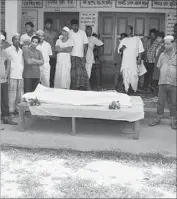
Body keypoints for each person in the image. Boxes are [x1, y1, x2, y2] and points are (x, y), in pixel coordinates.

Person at [149, 36, 176, 130]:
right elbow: (159, 67)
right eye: (165, 43)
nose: (166, 45)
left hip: (174, 84)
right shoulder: (162, 55)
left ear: (173, 43)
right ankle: (158, 118)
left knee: (173, 103)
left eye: (168, 43)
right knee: (160, 102)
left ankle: (173, 121)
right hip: (162, 83)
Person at [118, 25, 144, 94]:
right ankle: (126, 90)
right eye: (126, 30)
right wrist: (122, 48)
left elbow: (140, 50)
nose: (126, 31)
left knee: (134, 77)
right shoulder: (124, 40)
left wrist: (139, 58)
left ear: (131, 30)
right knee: (125, 77)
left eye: (128, 29)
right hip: (125, 62)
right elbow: (119, 51)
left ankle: (134, 90)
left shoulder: (137, 39)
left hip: (133, 62)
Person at [5, 33, 24, 115]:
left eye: (18, 39)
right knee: (11, 94)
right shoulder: (8, 50)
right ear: (12, 40)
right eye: (15, 39)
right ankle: (11, 111)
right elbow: (5, 63)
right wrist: (6, 75)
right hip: (12, 75)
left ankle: (17, 109)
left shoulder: (21, 51)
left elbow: (21, 62)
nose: (17, 41)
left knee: (19, 95)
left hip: (20, 75)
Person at [0, 34, 17, 125]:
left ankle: (5, 118)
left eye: (2, 42)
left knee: (5, 100)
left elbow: (9, 62)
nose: (1, 44)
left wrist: (7, 73)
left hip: (4, 81)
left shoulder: (4, 52)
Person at [70, 19, 90, 91]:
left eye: (75, 25)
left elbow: (86, 45)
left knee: (82, 73)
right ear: (71, 26)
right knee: (73, 73)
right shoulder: (69, 32)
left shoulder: (82, 33)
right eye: (73, 26)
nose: (74, 27)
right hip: (72, 55)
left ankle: (82, 87)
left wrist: (84, 55)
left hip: (80, 56)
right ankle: (74, 87)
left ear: (78, 25)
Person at [44, 18, 58, 88]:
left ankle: (51, 86)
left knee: (52, 71)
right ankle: (44, 86)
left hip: (53, 55)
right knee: (45, 72)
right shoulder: (42, 33)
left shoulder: (55, 33)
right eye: (47, 24)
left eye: (50, 24)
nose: (48, 25)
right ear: (45, 24)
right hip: (45, 56)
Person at [152, 31, 165, 95]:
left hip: (162, 65)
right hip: (156, 63)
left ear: (162, 38)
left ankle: (160, 94)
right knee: (156, 78)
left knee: (161, 78)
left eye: (159, 38)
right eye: (157, 38)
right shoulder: (158, 45)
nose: (157, 39)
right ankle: (156, 93)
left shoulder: (165, 46)